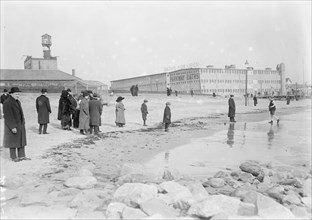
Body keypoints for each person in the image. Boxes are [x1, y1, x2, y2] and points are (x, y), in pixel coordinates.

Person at [3, 87, 30, 162]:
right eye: (16, 94)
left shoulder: (17, 101)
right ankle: (14, 157)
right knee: (13, 141)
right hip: (13, 125)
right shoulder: (7, 102)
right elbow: (8, 116)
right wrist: (12, 127)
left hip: (20, 124)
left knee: (21, 140)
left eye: (18, 94)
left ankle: (22, 156)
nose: (18, 95)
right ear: (11, 94)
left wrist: (23, 122)